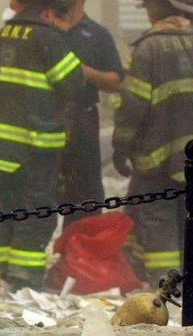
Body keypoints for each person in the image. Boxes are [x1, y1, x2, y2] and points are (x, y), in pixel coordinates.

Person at [112, 0, 193, 284]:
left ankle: (169, 285)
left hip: (156, 155)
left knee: (158, 215)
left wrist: (120, 146)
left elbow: (133, 106)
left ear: (154, 12)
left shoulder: (148, 48)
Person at [0, 0, 85, 291]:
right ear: (47, 12)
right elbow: (74, 84)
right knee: (34, 211)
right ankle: (23, 279)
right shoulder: (49, 38)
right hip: (34, 145)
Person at [59, 0, 123, 229]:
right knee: (39, 193)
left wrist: (81, 71)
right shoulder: (44, 30)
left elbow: (116, 81)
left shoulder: (96, 35)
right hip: (45, 122)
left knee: (86, 194)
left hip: (82, 119)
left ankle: (79, 257)